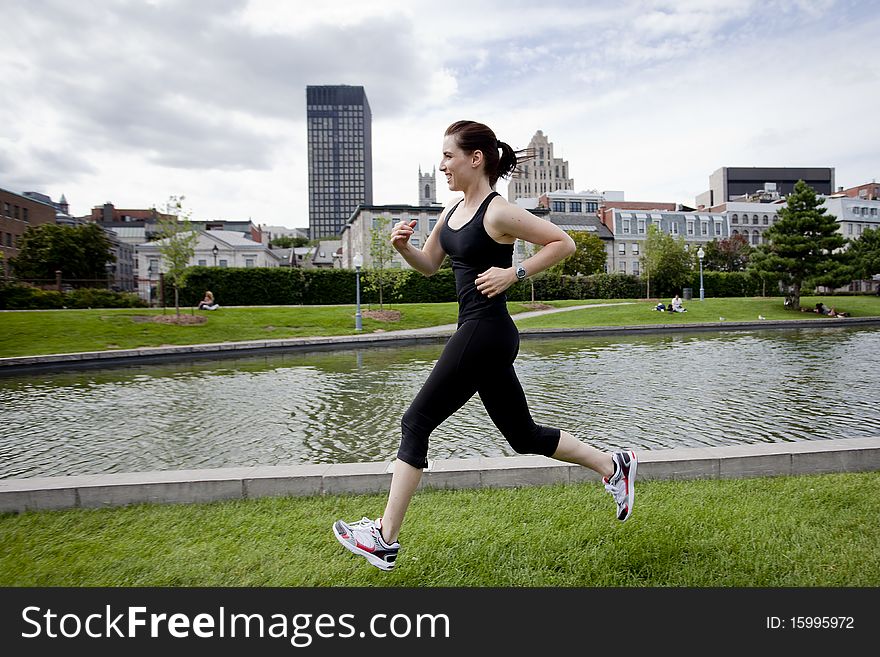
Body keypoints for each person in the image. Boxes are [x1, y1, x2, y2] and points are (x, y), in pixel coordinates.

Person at [332, 120, 638, 572]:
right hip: (482, 334)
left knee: (415, 421)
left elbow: (564, 242)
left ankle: (384, 538)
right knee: (522, 435)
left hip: (485, 330)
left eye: (448, 157)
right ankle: (615, 466)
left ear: (476, 158)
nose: (442, 166)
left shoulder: (498, 212)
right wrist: (402, 247)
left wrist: (514, 273)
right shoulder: (450, 212)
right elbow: (429, 265)